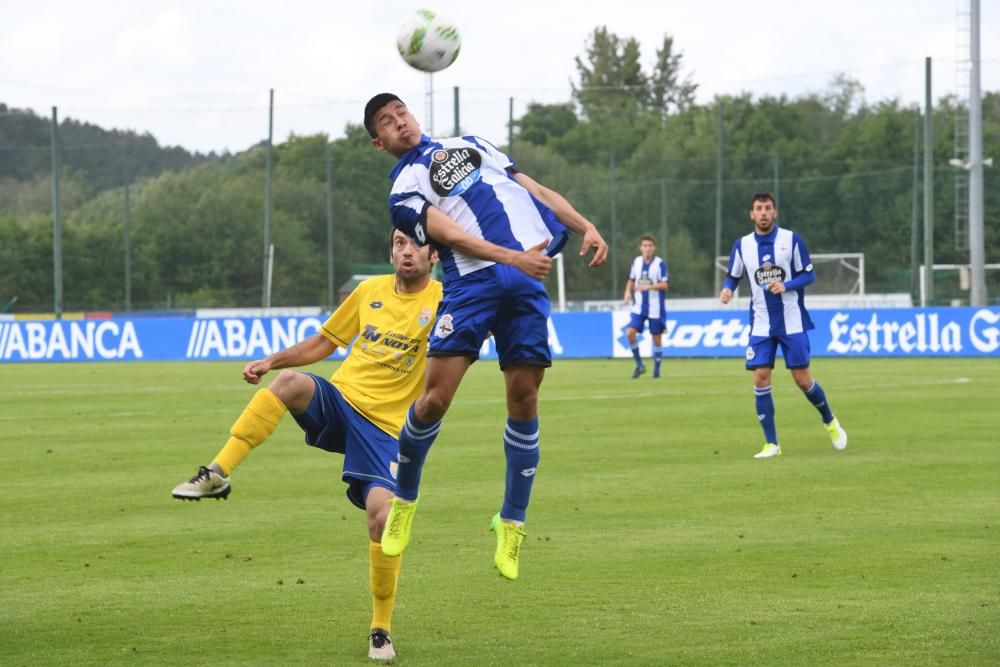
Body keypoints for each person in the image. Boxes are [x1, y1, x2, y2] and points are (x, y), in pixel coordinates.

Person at [363, 92, 608, 580]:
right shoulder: (403, 192)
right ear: (379, 143)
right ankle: (406, 500)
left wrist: (585, 225)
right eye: (388, 124)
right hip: (471, 285)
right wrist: (509, 256)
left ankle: (512, 522)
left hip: (524, 282)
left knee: (525, 399)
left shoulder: (472, 142)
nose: (400, 124)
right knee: (433, 400)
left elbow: (534, 188)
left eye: (402, 113)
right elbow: (448, 235)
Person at [171, 229, 442, 662]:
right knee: (290, 383)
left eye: (414, 244)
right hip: (342, 401)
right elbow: (324, 342)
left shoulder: (444, 300)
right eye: (397, 243)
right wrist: (271, 360)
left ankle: (380, 629)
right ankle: (217, 473)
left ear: (433, 253)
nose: (405, 251)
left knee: (381, 519)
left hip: (387, 432)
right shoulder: (368, 291)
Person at [720, 192, 847, 459]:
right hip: (761, 323)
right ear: (751, 214)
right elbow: (733, 276)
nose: (763, 213)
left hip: (791, 320)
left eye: (767, 208)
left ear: (774, 212)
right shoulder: (742, 245)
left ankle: (829, 420)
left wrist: (786, 284)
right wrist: (727, 291)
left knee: (802, 380)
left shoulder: (791, 240)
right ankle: (772, 444)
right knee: (760, 376)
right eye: (758, 209)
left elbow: (809, 275)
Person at [622, 234, 669, 379]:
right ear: (640, 247)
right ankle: (640, 365)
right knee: (630, 333)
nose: (647, 248)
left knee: (656, 339)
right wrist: (627, 292)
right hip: (639, 308)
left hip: (656, 308)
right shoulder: (636, 262)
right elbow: (631, 279)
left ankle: (656, 370)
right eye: (645, 246)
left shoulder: (659, 264)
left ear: (654, 248)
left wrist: (648, 287)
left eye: (650, 246)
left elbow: (665, 284)